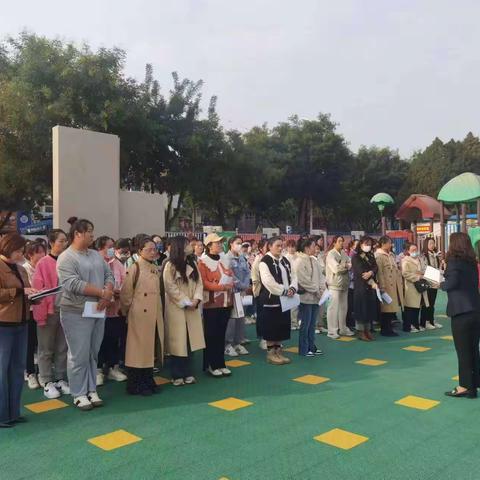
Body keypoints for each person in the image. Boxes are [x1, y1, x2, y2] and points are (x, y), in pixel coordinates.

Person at [57, 219, 114, 411]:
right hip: (76, 312)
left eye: (92, 231)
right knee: (78, 354)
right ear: (77, 234)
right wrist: (101, 293)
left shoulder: (96, 255)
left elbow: (109, 274)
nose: (92, 235)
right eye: (89, 231)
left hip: (98, 309)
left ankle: (91, 389)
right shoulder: (66, 257)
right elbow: (73, 284)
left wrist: (107, 294)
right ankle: (78, 393)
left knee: (92, 352)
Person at [0, 233, 37, 428]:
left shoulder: (22, 269)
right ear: (7, 248)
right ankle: (2, 415)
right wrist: (20, 292)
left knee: (16, 369)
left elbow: (27, 290)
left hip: (22, 322)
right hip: (3, 324)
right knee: (1, 370)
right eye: (18, 251)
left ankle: (13, 412)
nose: (21, 254)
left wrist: (35, 295)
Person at [120, 236, 164, 395]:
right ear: (139, 251)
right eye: (149, 249)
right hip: (139, 314)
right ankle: (136, 383)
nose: (153, 252)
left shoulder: (154, 267)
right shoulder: (135, 267)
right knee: (138, 350)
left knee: (149, 349)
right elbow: (126, 293)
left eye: (155, 249)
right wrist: (127, 311)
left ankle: (147, 379)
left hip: (153, 313)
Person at [32, 229, 70, 399]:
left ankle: (61, 378)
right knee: (46, 348)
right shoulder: (43, 263)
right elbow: (38, 289)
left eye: (65, 240)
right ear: (52, 242)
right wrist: (44, 311)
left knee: (62, 347)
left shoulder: (69, 260)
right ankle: (47, 380)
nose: (64, 243)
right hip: (49, 311)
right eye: (61, 241)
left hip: (67, 310)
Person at [441, 233, 480, 398]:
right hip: (476, 309)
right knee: (473, 349)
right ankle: (474, 385)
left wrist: (440, 283)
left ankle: (464, 386)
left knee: (463, 351)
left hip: (461, 312)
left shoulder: (453, 262)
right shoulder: (471, 262)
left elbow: (452, 283)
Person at [163, 236, 204, 386]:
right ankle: (177, 374)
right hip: (177, 308)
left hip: (192, 306)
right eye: (187, 244)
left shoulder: (193, 262)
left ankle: (188, 372)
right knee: (177, 342)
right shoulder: (170, 265)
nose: (190, 246)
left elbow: (199, 283)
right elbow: (170, 288)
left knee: (190, 340)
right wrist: (187, 302)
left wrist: (196, 300)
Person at [197, 233, 234, 377]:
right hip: (211, 303)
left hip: (226, 302)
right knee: (211, 334)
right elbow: (204, 282)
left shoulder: (225, 258)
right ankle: (211, 364)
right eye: (216, 243)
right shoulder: (203, 261)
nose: (219, 245)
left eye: (220, 242)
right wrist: (220, 287)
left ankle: (220, 363)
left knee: (221, 334)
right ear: (209, 245)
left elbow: (230, 274)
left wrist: (230, 283)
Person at [258, 236, 298, 365]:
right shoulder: (265, 261)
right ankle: (271, 353)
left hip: (285, 300)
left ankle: (278, 351)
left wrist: (293, 288)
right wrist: (284, 291)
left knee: (281, 326)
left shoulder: (284, 260)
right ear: (269, 246)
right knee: (271, 327)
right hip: (271, 300)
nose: (281, 248)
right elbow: (268, 282)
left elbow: (293, 276)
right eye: (278, 246)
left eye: (282, 246)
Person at [95, 236, 128, 385]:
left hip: (115, 309)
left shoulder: (118, 264)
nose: (112, 249)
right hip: (99, 309)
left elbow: (125, 283)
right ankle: (98, 370)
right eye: (109, 246)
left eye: (113, 246)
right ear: (100, 247)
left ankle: (113, 367)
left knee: (115, 339)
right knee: (99, 340)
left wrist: (118, 292)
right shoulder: (95, 263)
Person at [23, 241, 47, 389]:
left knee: (42, 344)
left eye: (44, 252)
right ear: (30, 254)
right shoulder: (24, 269)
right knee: (29, 344)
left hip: (43, 309)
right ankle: (30, 372)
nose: (43, 255)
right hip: (30, 311)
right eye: (39, 252)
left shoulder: (43, 267)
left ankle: (41, 372)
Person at [295, 237, 323, 356]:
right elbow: (303, 280)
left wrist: (321, 290)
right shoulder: (299, 261)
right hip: (305, 298)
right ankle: (304, 349)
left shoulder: (314, 260)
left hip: (316, 297)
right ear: (306, 248)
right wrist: (316, 290)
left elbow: (321, 277)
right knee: (305, 324)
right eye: (313, 246)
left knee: (312, 324)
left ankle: (312, 346)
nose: (315, 248)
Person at [224, 236, 251, 357]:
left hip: (242, 292)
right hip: (232, 292)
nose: (240, 246)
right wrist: (240, 285)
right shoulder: (226, 258)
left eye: (241, 243)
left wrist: (245, 285)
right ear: (231, 244)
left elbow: (247, 272)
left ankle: (238, 342)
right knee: (232, 319)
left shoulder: (242, 258)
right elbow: (230, 275)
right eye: (237, 243)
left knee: (241, 317)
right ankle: (228, 344)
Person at [325, 236, 353, 339]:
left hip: (344, 283)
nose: (341, 243)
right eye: (339, 241)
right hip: (334, 284)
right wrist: (345, 266)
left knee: (343, 307)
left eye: (342, 241)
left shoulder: (344, 253)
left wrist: (345, 265)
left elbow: (350, 264)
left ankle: (343, 328)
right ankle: (332, 330)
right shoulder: (330, 254)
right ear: (334, 243)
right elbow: (336, 269)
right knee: (333, 308)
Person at [352, 237, 379, 341]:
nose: (368, 245)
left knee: (369, 309)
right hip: (361, 286)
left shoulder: (371, 255)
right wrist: (367, 274)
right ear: (361, 244)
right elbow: (360, 271)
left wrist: (371, 272)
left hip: (370, 286)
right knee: (361, 309)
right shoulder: (356, 256)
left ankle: (367, 330)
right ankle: (360, 331)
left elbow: (375, 267)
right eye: (366, 243)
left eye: (370, 244)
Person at [374, 236, 403, 336]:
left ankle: (389, 328)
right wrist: (381, 285)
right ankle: (385, 329)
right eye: (389, 243)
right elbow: (380, 272)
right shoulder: (379, 256)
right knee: (385, 308)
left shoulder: (391, 255)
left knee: (391, 308)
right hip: (386, 285)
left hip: (393, 285)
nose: (391, 245)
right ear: (383, 244)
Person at [401, 243, 429, 333]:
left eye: (416, 249)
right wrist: (417, 277)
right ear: (408, 251)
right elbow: (405, 273)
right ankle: (409, 326)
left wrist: (423, 274)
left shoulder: (419, 259)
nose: (415, 252)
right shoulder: (405, 260)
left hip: (420, 286)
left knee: (418, 306)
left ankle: (416, 325)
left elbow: (423, 269)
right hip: (411, 286)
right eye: (412, 250)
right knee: (410, 307)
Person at [420, 238, 443, 330]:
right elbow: (424, 269)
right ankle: (424, 322)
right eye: (430, 243)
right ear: (426, 244)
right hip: (428, 282)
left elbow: (439, 268)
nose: (432, 245)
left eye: (433, 243)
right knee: (426, 303)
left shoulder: (435, 255)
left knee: (432, 303)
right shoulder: (423, 256)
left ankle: (431, 320)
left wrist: (440, 260)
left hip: (435, 283)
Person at [252, 239, 268, 350]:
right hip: (262, 291)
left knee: (271, 316)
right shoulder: (258, 260)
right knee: (262, 316)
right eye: (268, 246)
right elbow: (256, 278)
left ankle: (270, 337)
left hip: (272, 292)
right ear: (261, 248)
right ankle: (262, 338)